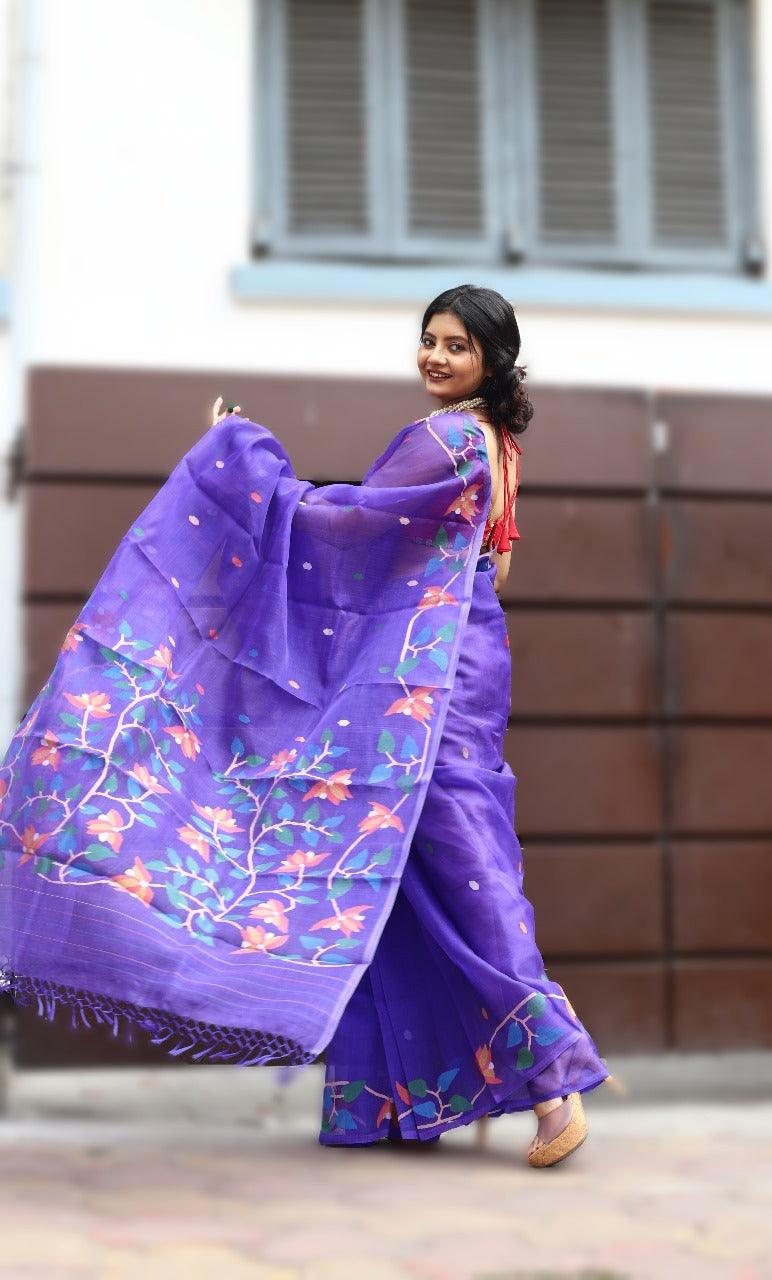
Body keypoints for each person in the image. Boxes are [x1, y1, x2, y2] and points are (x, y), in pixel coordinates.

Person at [0, 283, 612, 1169]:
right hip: (464, 664)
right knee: (395, 878)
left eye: (457, 346)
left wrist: (239, 459)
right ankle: (400, 1105)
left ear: (492, 359)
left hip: (426, 685)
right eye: (428, 340)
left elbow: (352, 527)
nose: (435, 357)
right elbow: (495, 573)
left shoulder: (445, 437)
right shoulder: (499, 447)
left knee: (458, 874)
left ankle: (553, 1088)